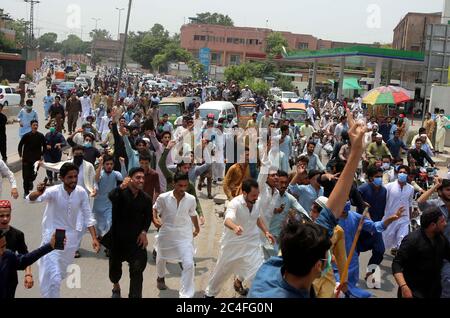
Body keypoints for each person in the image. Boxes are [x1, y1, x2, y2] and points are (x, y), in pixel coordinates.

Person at [26, 163, 100, 298]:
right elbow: (31, 200)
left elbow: (88, 216)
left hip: (71, 240)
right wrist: (38, 192)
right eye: (69, 177)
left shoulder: (81, 192)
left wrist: (94, 238)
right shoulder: (53, 191)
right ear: (61, 178)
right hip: (53, 237)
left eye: (75, 176)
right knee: (53, 277)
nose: (73, 180)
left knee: (58, 275)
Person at [205, 179, 275, 298]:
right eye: (253, 195)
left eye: (257, 195)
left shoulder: (256, 202)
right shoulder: (235, 203)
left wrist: (266, 232)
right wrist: (235, 227)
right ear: (244, 193)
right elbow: (227, 220)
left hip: (251, 244)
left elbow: (257, 218)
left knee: (257, 273)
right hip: (232, 245)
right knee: (221, 273)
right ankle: (209, 294)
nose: (256, 198)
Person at [105, 167, 152, 298]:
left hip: (135, 242)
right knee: (114, 271)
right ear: (130, 179)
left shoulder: (146, 199)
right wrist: (121, 187)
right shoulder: (120, 194)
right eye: (138, 177)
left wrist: (143, 232)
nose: (141, 180)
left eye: (143, 178)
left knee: (137, 270)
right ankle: (116, 286)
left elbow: (148, 218)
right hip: (117, 240)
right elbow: (111, 196)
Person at [153, 173, 200, 298]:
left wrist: (197, 228)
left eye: (185, 185)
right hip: (166, 232)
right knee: (161, 257)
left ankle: (185, 295)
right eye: (180, 185)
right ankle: (160, 277)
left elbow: (193, 213)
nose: (182, 188)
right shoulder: (163, 197)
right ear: (173, 184)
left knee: (189, 263)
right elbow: (155, 208)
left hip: (184, 234)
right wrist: (155, 219)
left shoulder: (191, 199)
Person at [392, 207, 450, 298]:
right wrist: (404, 287)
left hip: (434, 291)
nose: (445, 224)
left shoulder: (441, 239)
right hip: (413, 292)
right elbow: (396, 264)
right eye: (442, 221)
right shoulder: (412, 240)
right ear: (432, 225)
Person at [0, 228, 60, 299]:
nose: (1, 252)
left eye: (3, 246)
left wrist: (50, 246)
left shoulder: (7, 256)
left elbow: (26, 259)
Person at [417, 177, 450, 297]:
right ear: (440, 192)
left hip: (448, 253)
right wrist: (435, 186)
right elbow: (420, 203)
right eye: (448, 189)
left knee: (447, 281)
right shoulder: (434, 205)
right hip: (433, 250)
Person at [357, 166, 388, 282]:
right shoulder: (363, 188)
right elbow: (353, 199)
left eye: (381, 176)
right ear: (370, 178)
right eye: (377, 177)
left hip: (376, 227)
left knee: (380, 250)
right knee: (354, 252)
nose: (379, 179)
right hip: (361, 226)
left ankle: (370, 272)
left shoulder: (384, 191)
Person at [0, 200, 34, 296]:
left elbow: (25, 256)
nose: (5, 219)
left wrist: (28, 274)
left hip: (10, 280)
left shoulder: (17, 234)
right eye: (1, 216)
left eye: (8, 215)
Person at [93, 155, 124, 253]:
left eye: (111, 164)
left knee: (109, 223)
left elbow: (124, 177)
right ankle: (100, 238)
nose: (109, 166)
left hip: (110, 204)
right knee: (98, 225)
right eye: (107, 164)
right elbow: (96, 179)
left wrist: (122, 164)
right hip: (98, 204)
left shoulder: (115, 174)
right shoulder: (100, 173)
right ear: (104, 165)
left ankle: (108, 246)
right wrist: (100, 165)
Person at [382, 165, 414, 255]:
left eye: (404, 172)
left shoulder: (410, 189)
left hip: (404, 218)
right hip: (390, 218)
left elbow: (410, 203)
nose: (402, 174)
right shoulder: (388, 187)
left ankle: (399, 259)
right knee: (386, 240)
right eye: (400, 172)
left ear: (407, 175)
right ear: (397, 173)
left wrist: (410, 218)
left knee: (402, 238)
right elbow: (383, 201)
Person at [18, 120, 46, 197]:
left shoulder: (41, 136)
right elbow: (20, 145)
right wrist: (20, 155)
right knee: (25, 176)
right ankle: (26, 192)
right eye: (34, 125)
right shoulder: (26, 136)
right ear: (31, 126)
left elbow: (45, 146)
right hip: (26, 159)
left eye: (37, 125)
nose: (35, 126)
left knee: (34, 175)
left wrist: (42, 155)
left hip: (36, 160)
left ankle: (31, 181)